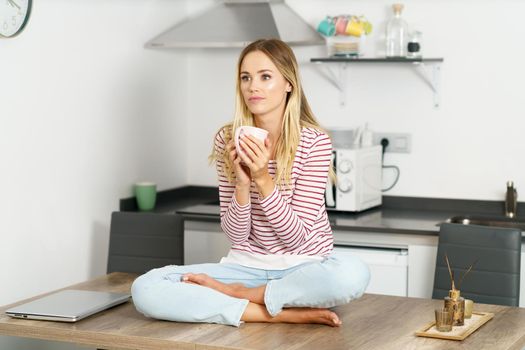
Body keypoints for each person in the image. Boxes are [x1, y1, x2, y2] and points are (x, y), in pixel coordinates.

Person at [131, 38, 370, 327]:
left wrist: (263, 180)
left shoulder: (314, 142)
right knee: (146, 287)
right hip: (244, 265)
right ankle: (271, 313)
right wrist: (243, 184)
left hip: (302, 268)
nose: (252, 87)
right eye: (246, 77)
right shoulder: (228, 139)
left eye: (265, 77)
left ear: (288, 84)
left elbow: (297, 241)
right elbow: (237, 237)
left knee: (351, 274)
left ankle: (241, 296)